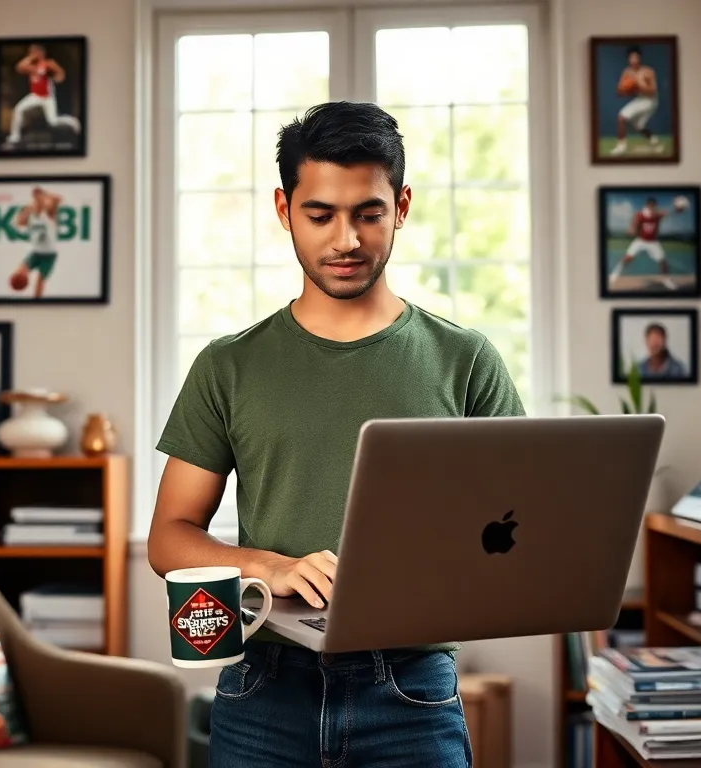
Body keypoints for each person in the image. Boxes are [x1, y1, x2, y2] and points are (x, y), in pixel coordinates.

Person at [147, 101, 525, 767]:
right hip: (263, 685)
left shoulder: (467, 360)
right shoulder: (228, 366)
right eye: (320, 214)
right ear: (283, 208)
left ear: (401, 205)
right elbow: (169, 537)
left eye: (368, 213)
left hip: (412, 690)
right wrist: (271, 566)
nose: (345, 239)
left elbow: (525, 533)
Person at [4, 44, 81, 147]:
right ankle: (15, 137)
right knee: (18, 109)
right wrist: (30, 57)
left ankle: (72, 121)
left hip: (47, 97)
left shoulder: (48, 63)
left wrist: (57, 78)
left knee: (53, 122)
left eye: (34, 52)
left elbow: (60, 73)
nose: (32, 54)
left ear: (41, 52)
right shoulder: (32, 67)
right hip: (35, 96)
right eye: (30, 52)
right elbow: (19, 67)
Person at [608, 196, 679, 291]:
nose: (651, 208)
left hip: (653, 242)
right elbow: (634, 224)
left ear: (655, 206)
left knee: (663, 261)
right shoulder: (639, 214)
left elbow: (668, 213)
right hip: (640, 241)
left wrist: (676, 209)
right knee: (628, 257)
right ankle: (615, 273)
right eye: (650, 206)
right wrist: (632, 229)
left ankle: (666, 280)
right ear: (646, 205)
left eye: (653, 206)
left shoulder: (657, 215)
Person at [8, 186, 61, 298]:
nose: (37, 202)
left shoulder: (49, 214)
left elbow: (57, 199)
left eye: (40, 200)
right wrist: (29, 208)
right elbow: (19, 222)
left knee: (39, 282)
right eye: (35, 200)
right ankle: (17, 287)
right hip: (35, 253)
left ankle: (37, 303)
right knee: (19, 272)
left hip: (49, 255)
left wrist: (44, 194)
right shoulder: (30, 215)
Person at [612, 46, 661, 156]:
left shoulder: (648, 71)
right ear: (628, 59)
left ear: (640, 59)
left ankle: (621, 147)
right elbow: (619, 92)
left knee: (621, 117)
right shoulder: (627, 72)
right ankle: (654, 140)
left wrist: (638, 84)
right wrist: (626, 88)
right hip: (640, 99)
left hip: (650, 101)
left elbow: (652, 91)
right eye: (631, 58)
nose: (634, 60)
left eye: (636, 58)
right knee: (639, 126)